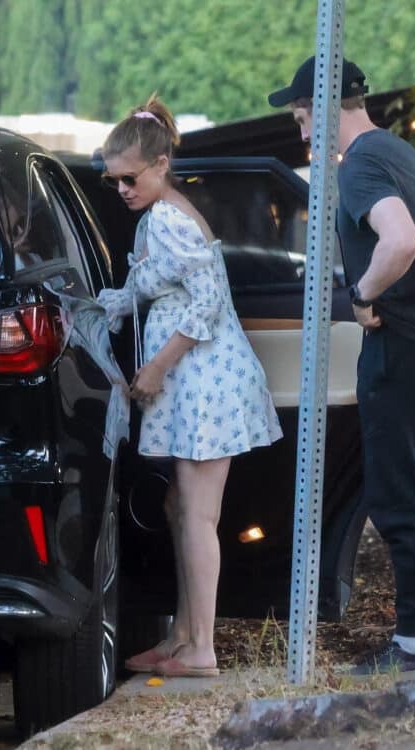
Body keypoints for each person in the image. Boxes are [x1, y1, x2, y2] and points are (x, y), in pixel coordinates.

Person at [269, 57, 415, 676]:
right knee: (406, 492)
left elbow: (399, 240)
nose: (303, 134)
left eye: (303, 118)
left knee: (395, 498)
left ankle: (410, 650)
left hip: (404, 346)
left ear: (326, 108)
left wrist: (363, 295)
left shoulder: (359, 167)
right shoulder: (397, 153)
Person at [96, 95, 282, 678]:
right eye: (113, 181)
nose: (122, 189)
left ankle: (201, 647)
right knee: (181, 508)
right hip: (198, 384)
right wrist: (103, 305)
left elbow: (207, 304)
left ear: (159, 165)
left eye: (129, 178)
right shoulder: (158, 216)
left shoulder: (170, 220)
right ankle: (182, 634)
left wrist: (154, 368)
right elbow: (155, 288)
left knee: (198, 514)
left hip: (206, 385)